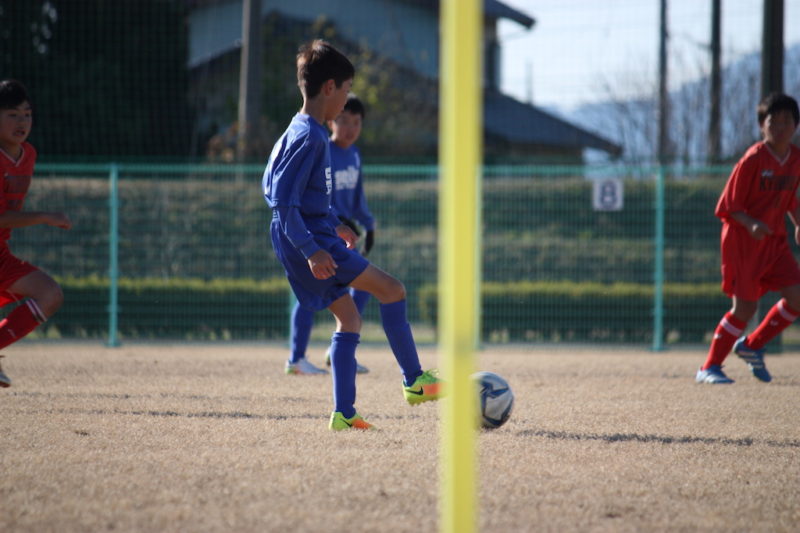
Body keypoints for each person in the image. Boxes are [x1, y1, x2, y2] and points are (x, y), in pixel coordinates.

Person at [262, 40, 442, 430]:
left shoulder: (300, 129)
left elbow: (299, 194)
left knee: (349, 319)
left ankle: (344, 414)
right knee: (392, 290)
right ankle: (415, 381)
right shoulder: (310, 137)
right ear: (329, 87)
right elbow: (283, 202)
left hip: (312, 233)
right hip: (308, 238)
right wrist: (311, 248)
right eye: (346, 90)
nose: (347, 99)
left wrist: (334, 222)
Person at [696, 92, 800, 384]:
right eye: (773, 121)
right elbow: (729, 206)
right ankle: (709, 368)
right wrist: (751, 224)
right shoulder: (753, 159)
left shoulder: (795, 159)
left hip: (774, 242)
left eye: (787, 121)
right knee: (745, 308)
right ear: (761, 125)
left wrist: (797, 223)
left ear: (796, 125)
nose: (780, 126)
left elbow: (789, 197)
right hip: (744, 241)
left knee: (797, 297)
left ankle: (752, 345)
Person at [286, 95, 375, 376]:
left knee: (363, 287)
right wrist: (338, 220)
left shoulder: (355, 155)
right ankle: (296, 359)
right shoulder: (324, 150)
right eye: (343, 120)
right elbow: (316, 197)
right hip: (324, 232)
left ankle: (338, 350)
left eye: (356, 122)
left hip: (345, 237)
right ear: (332, 121)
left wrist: (369, 224)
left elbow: (357, 198)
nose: (350, 127)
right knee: (311, 291)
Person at [0, 79, 72, 387]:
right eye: (12, 114)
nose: (22, 122)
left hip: (1, 254)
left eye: (27, 114)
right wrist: (44, 216)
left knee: (50, 294)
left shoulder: (27, 154)